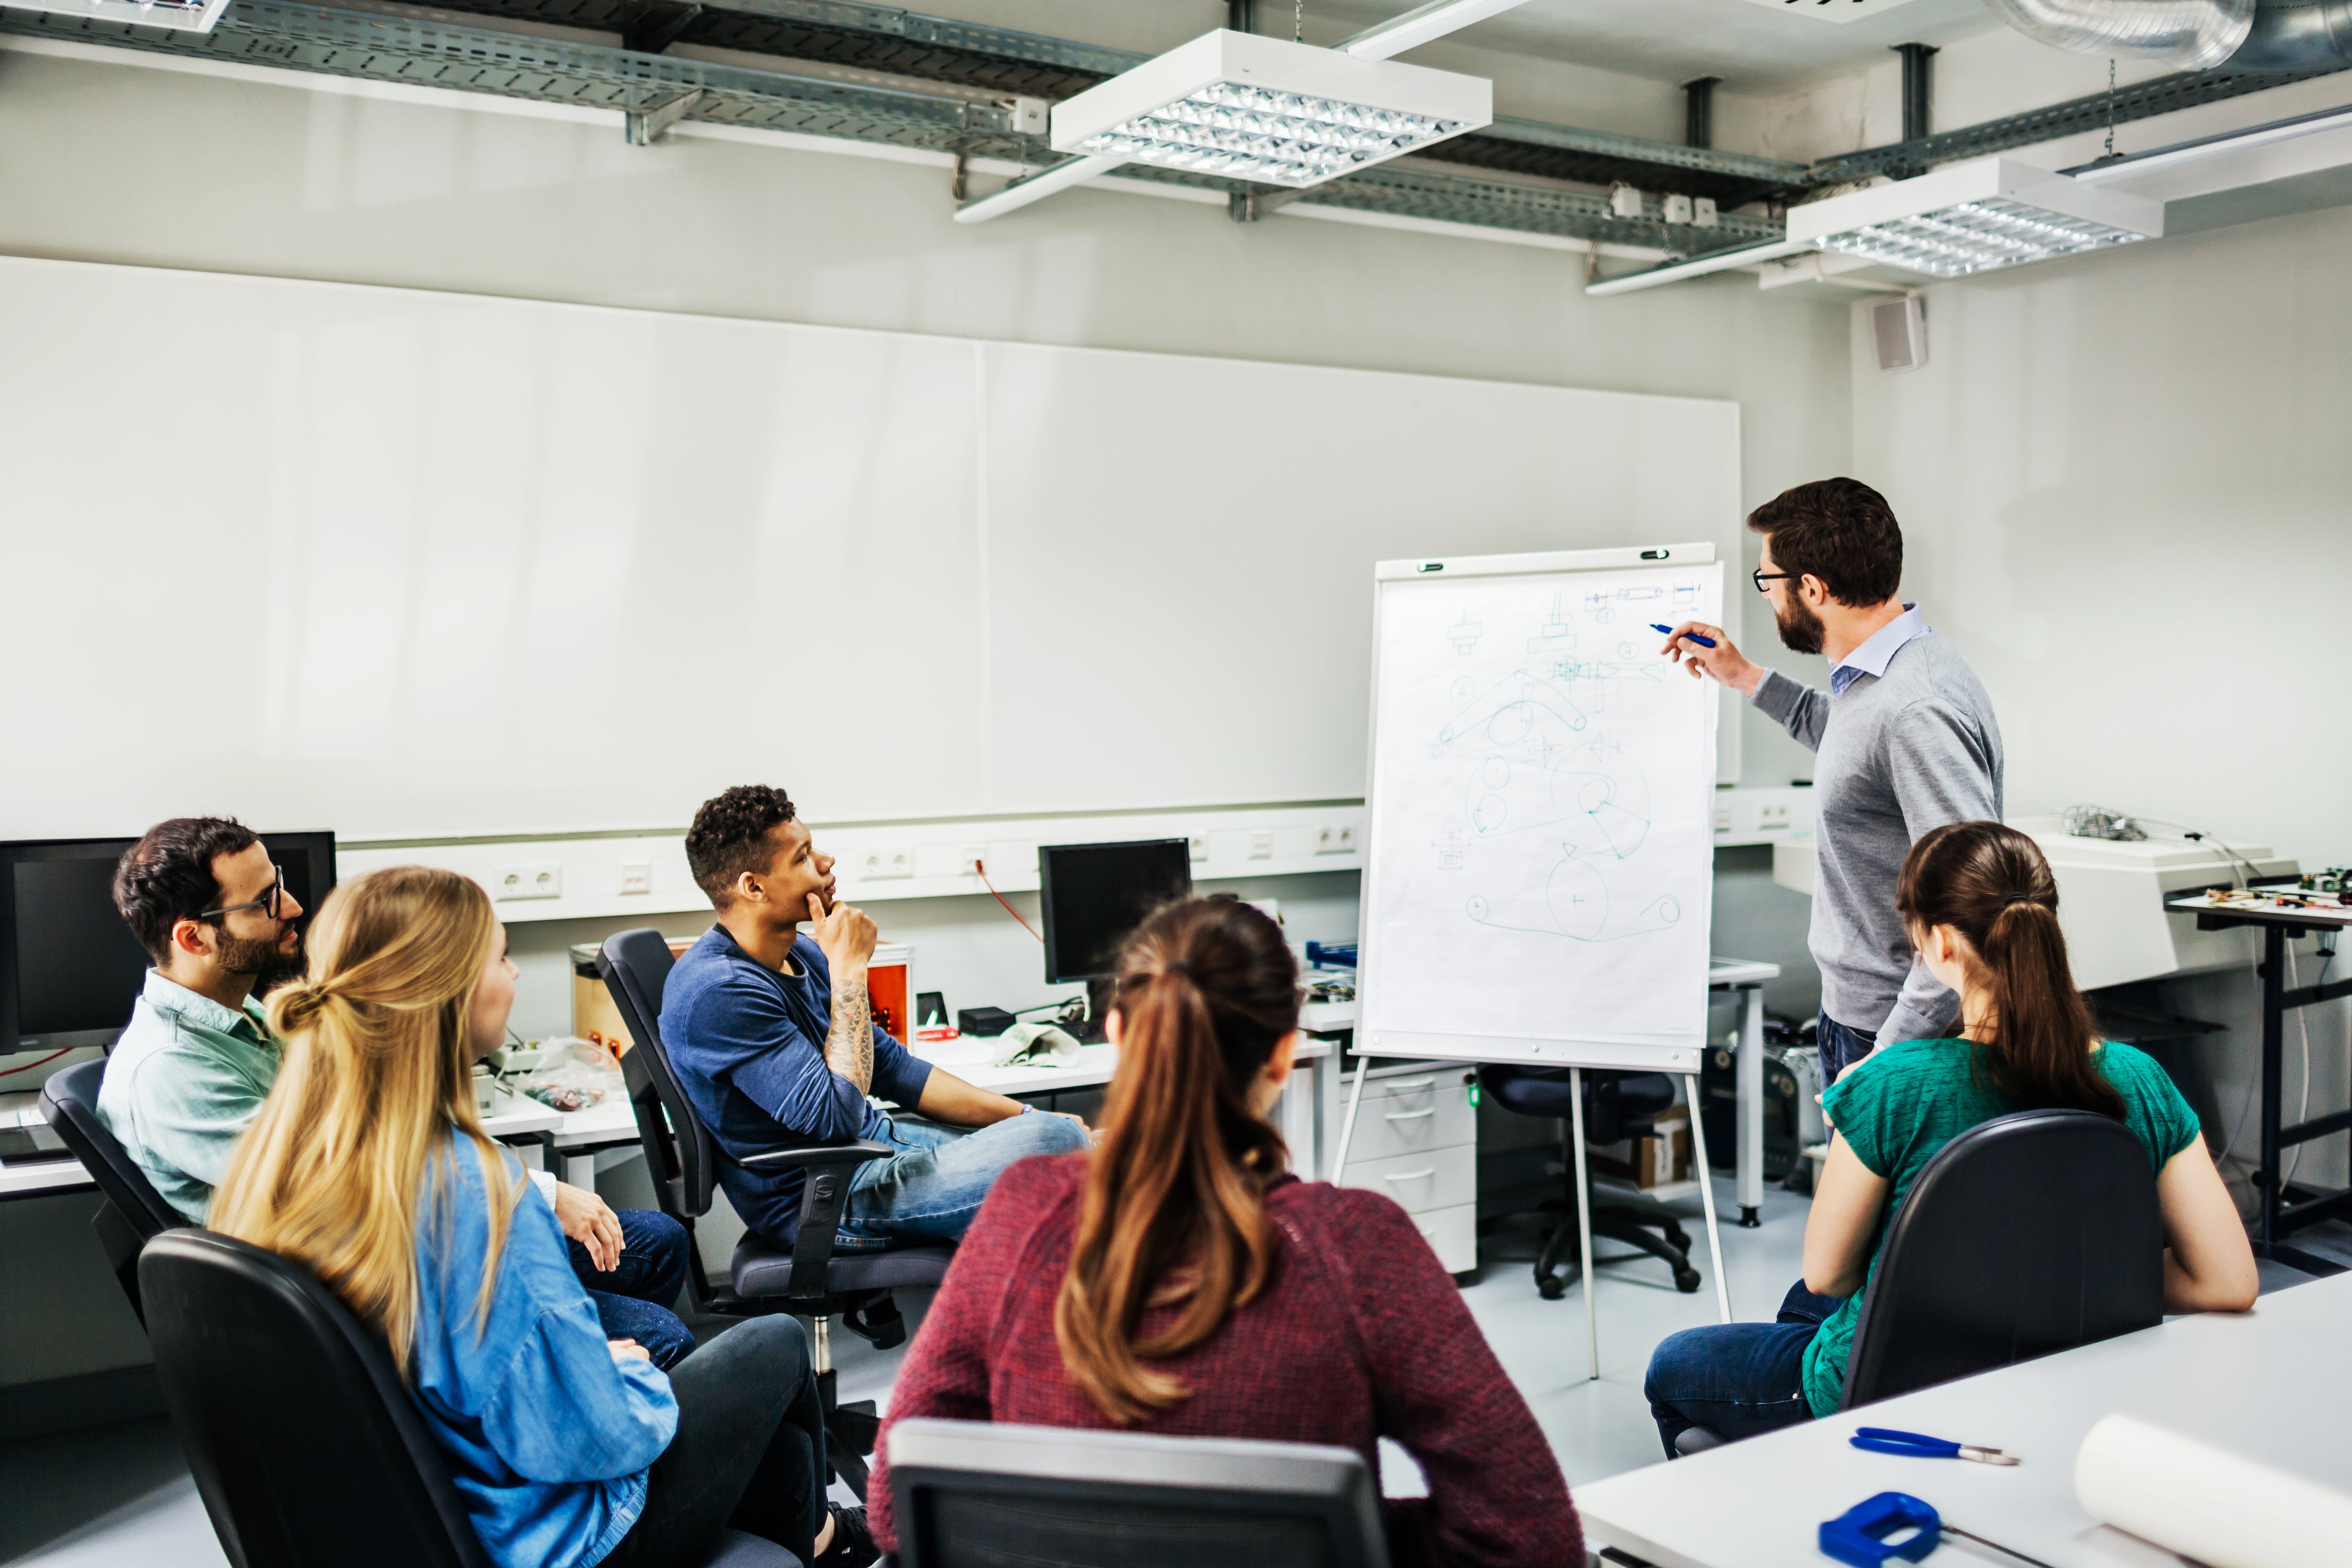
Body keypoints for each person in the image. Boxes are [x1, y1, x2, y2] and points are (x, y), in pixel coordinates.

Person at [868, 897, 1581, 1567]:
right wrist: (1333, 1534)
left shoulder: (1024, 1215)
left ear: (1118, 1032)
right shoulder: (1358, 1247)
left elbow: (897, 1507)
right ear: (1284, 1054)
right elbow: (1532, 1537)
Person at [210, 866, 874, 1568]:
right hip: (563, 1541)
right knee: (773, 1345)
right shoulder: (476, 1195)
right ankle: (817, 1539)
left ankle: (814, 1540)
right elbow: (594, 1442)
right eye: (499, 956)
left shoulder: (289, 1152)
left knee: (770, 1425)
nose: (515, 974)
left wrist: (582, 1368)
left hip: (450, 1504)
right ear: (449, 992)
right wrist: (616, 1377)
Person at [1642, 822, 2257, 1456]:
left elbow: (1831, 1271)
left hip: (1895, 1386)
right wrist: (2072, 1277)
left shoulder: (1892, 1083)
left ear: (1937, 941)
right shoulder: (2141, 1078)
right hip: (2066, 1375)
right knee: (1802, 1305)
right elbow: (2230, 1280)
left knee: (1676, 1363)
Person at [100, 818, 699, 1369]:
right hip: (358, 1289)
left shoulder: (246, 1018)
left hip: (393, 1243)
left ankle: (577, 1390)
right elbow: (339, 1184)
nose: (293, 905)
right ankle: (572, 1398)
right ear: (194, 938)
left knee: (656, 1242)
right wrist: (533, 1195)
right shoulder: (168, 1071)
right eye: (263, 902)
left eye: (277, 884)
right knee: (660, 1337)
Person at [1661, 478, 2002, 1081]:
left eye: (1767, 581)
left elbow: (1966, 908)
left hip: (1900, 1036)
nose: (1766, 596)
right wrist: (1740, 674)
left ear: (1812, 589)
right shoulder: (1883, 674)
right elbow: (1853, 749)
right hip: (1866, 1019)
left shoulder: (1915, 707)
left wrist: (1888, 1056)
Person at [660, 786, 1089, 1255]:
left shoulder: (800, 952)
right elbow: (837, 1118)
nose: (826, 862)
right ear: (753, 887)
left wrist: (1028, 1115)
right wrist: (849, 971)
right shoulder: (719, 993)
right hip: (825, 1199)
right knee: (1063, 1145)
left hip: (876, 1146)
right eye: (803, 857)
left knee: (1065, 1144)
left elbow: (893, 1069)